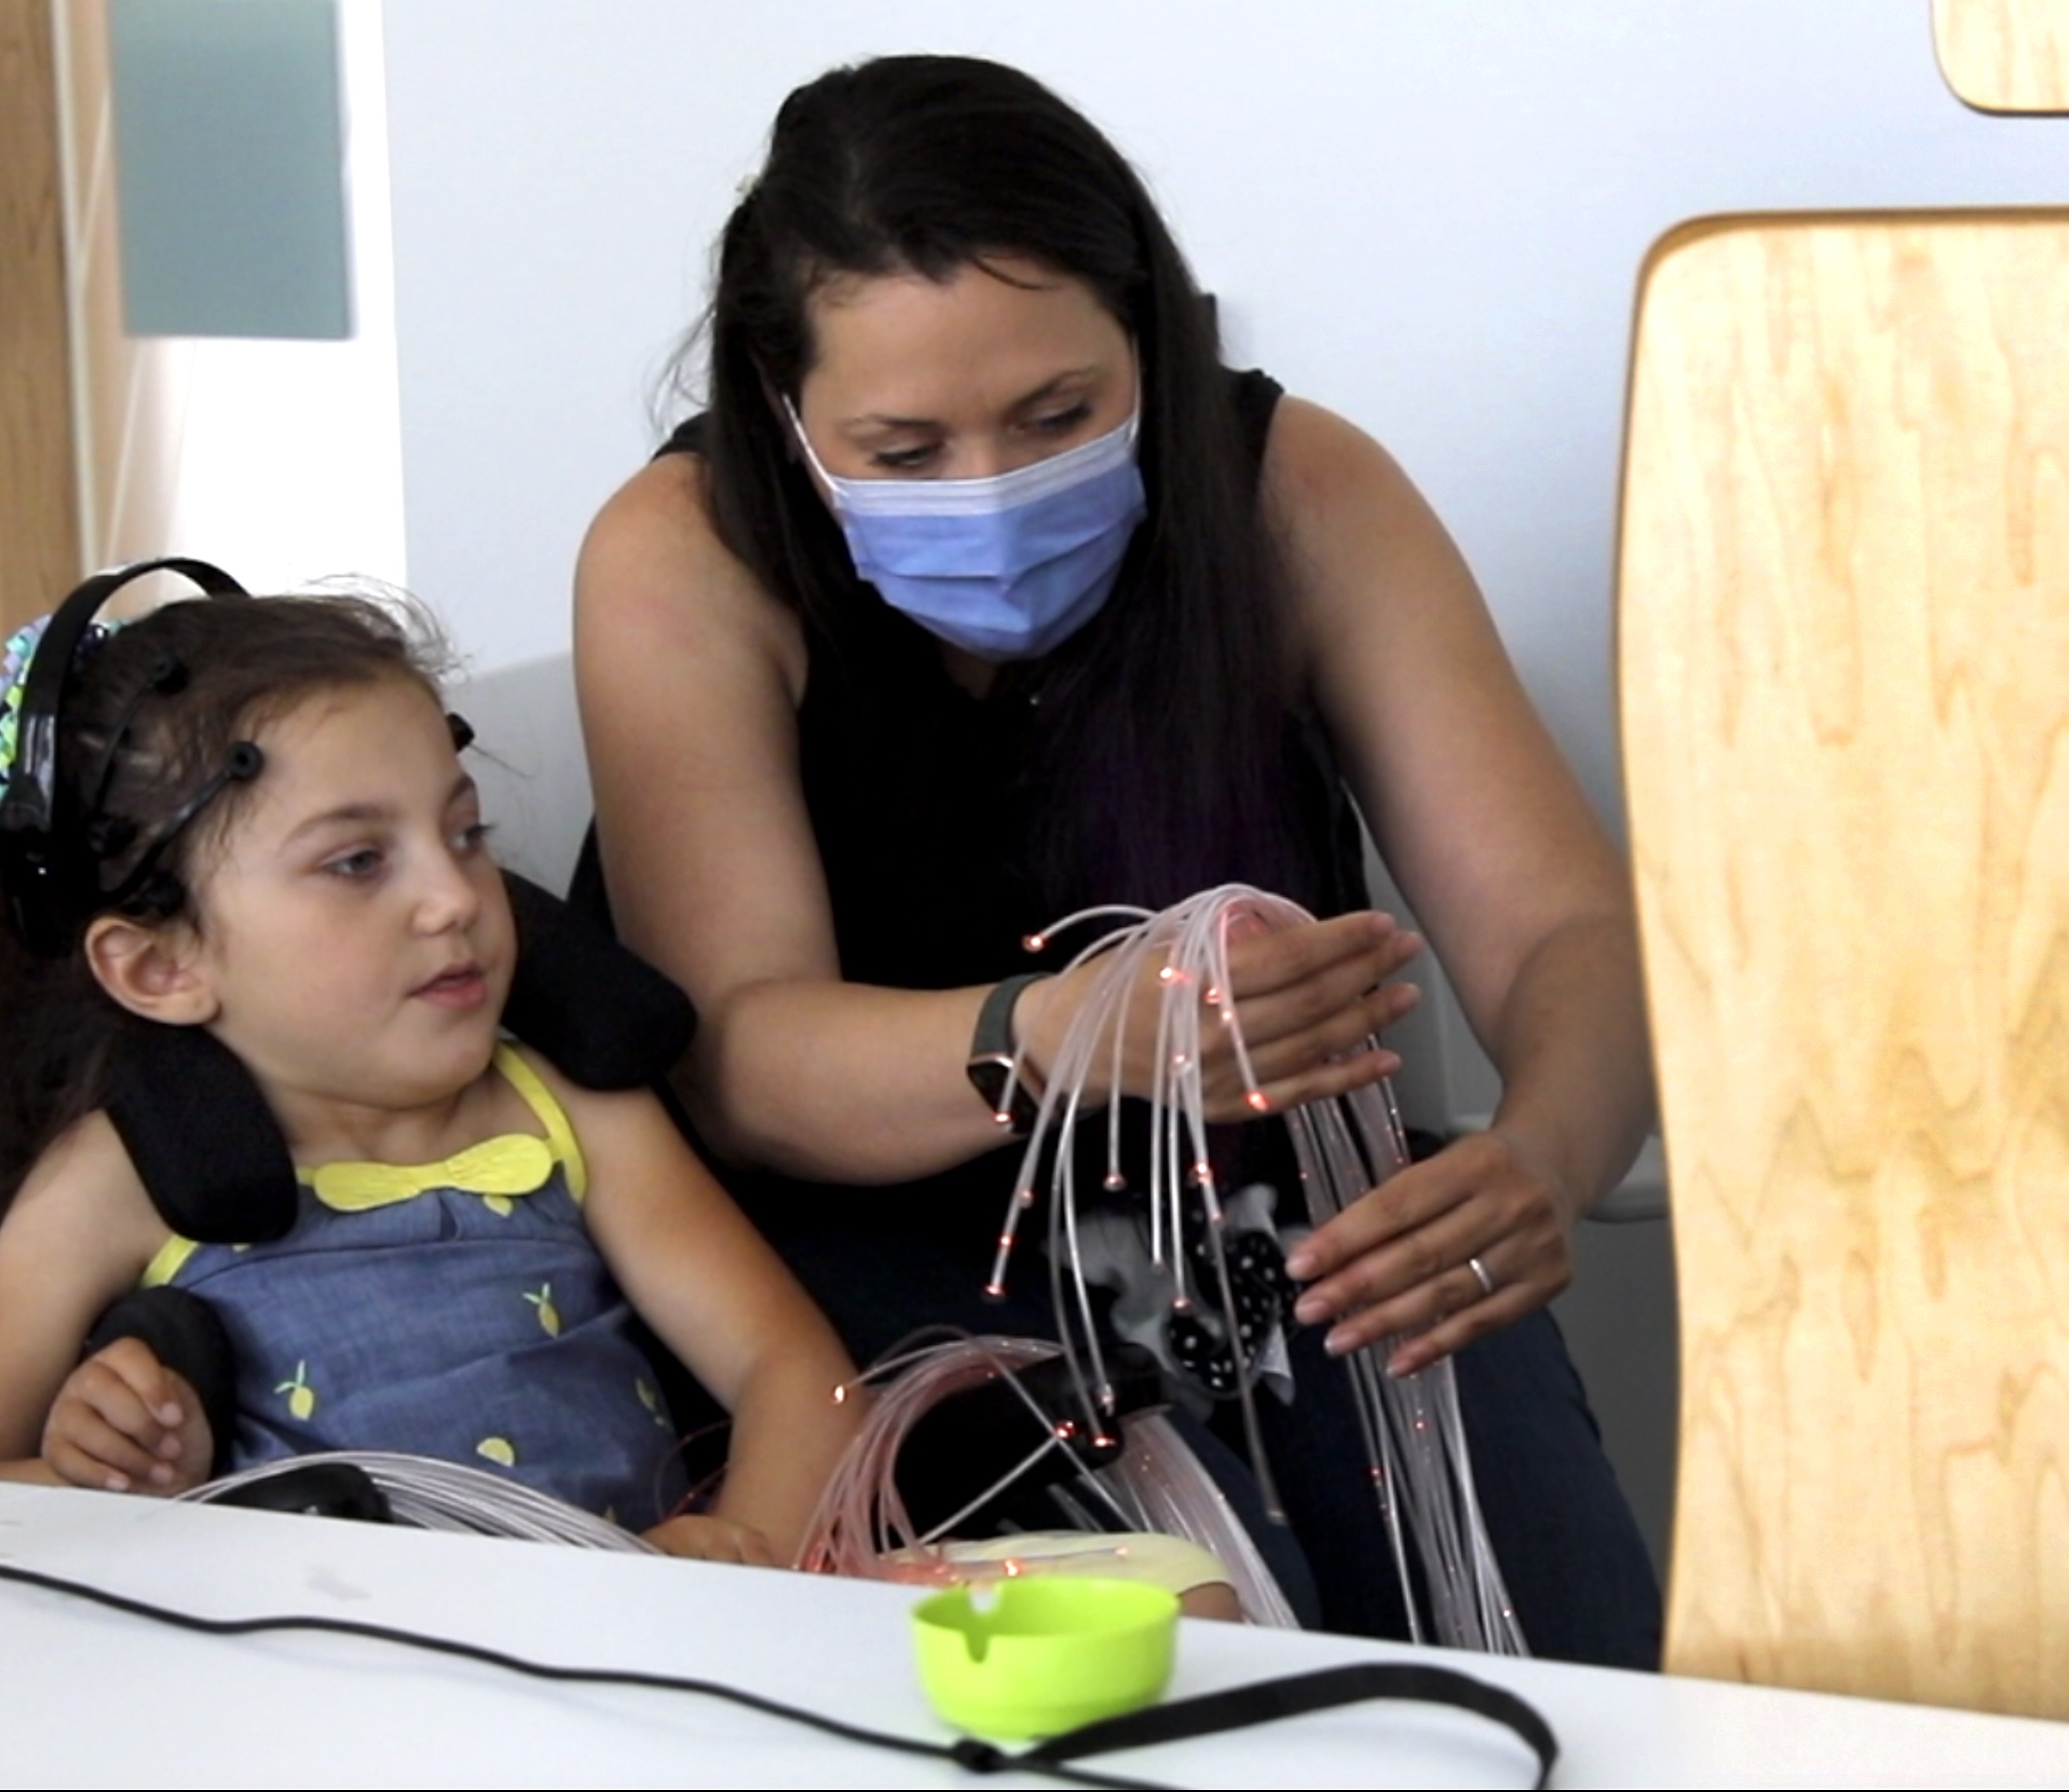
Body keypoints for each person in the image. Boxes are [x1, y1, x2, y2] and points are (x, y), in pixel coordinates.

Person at [572, 55, 1663, 1658]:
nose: (993, 490)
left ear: (1151, 339)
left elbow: (1563, 930)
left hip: (1263, 1215)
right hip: (865, 1261)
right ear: (780, 410)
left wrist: (1539, 1161)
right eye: (901, 447)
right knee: (1194, 1618)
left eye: (1057, 414)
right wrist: (1058, 1037)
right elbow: (736, 1055)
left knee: (1527, 1601)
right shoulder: (687, 556)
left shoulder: (1296, 492)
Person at [0, 590, 862, 1568]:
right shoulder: (114, 1180)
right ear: (159, 967)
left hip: (621, 1661)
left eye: (466, 834)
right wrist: (94, 1481)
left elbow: (794, 1371)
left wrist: (744, 1564)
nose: (453, 897)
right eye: (356, 860)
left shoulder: (570, 1110)